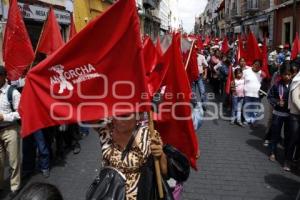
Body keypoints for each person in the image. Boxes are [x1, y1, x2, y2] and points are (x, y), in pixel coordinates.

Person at [95, 113, 190, 200]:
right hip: (109, 192)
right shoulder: (106, 130)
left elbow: (164, 171)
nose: (118, 119)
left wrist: (160, 155)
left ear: (137, 117)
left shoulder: (148, 135)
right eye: (116, 114)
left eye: (124, 116)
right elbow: (86, 114)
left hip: (140, 194)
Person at [0, 66, 21, 198]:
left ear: (3, 77)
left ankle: (15, 186)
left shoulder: (13, 92)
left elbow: (20, 113)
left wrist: (4, 117)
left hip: (10, 130)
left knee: (14, 160)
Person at [267, 62, 292, 169]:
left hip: (290, 115)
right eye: (285, 74)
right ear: (281, 74)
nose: (287, 76)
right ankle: (272, 152)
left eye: (289, 74)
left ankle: (287, 158)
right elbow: (269, 96)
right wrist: (277, 102)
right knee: (275, 134)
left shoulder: (294, 84)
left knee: (288, 137)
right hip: (278, 114)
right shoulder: (277, 85)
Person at [285, 70, 300, 171]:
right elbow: (295, 99)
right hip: (296, 115)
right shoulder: (297, 81)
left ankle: (296, 161)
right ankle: (287, 160)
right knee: (293, 138)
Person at [243, 60, 264, 125]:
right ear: (253, 64)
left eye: (258, 65)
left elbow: (265, 83)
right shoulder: (246, 71)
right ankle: (247, 119)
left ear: (260, 66)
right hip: (247, 93)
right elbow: (241, 81)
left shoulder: (262, 73)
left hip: (257, 94)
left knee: (255, 108)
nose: (256, 66)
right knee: (247, 106)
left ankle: (253, 120)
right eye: (255, 64)